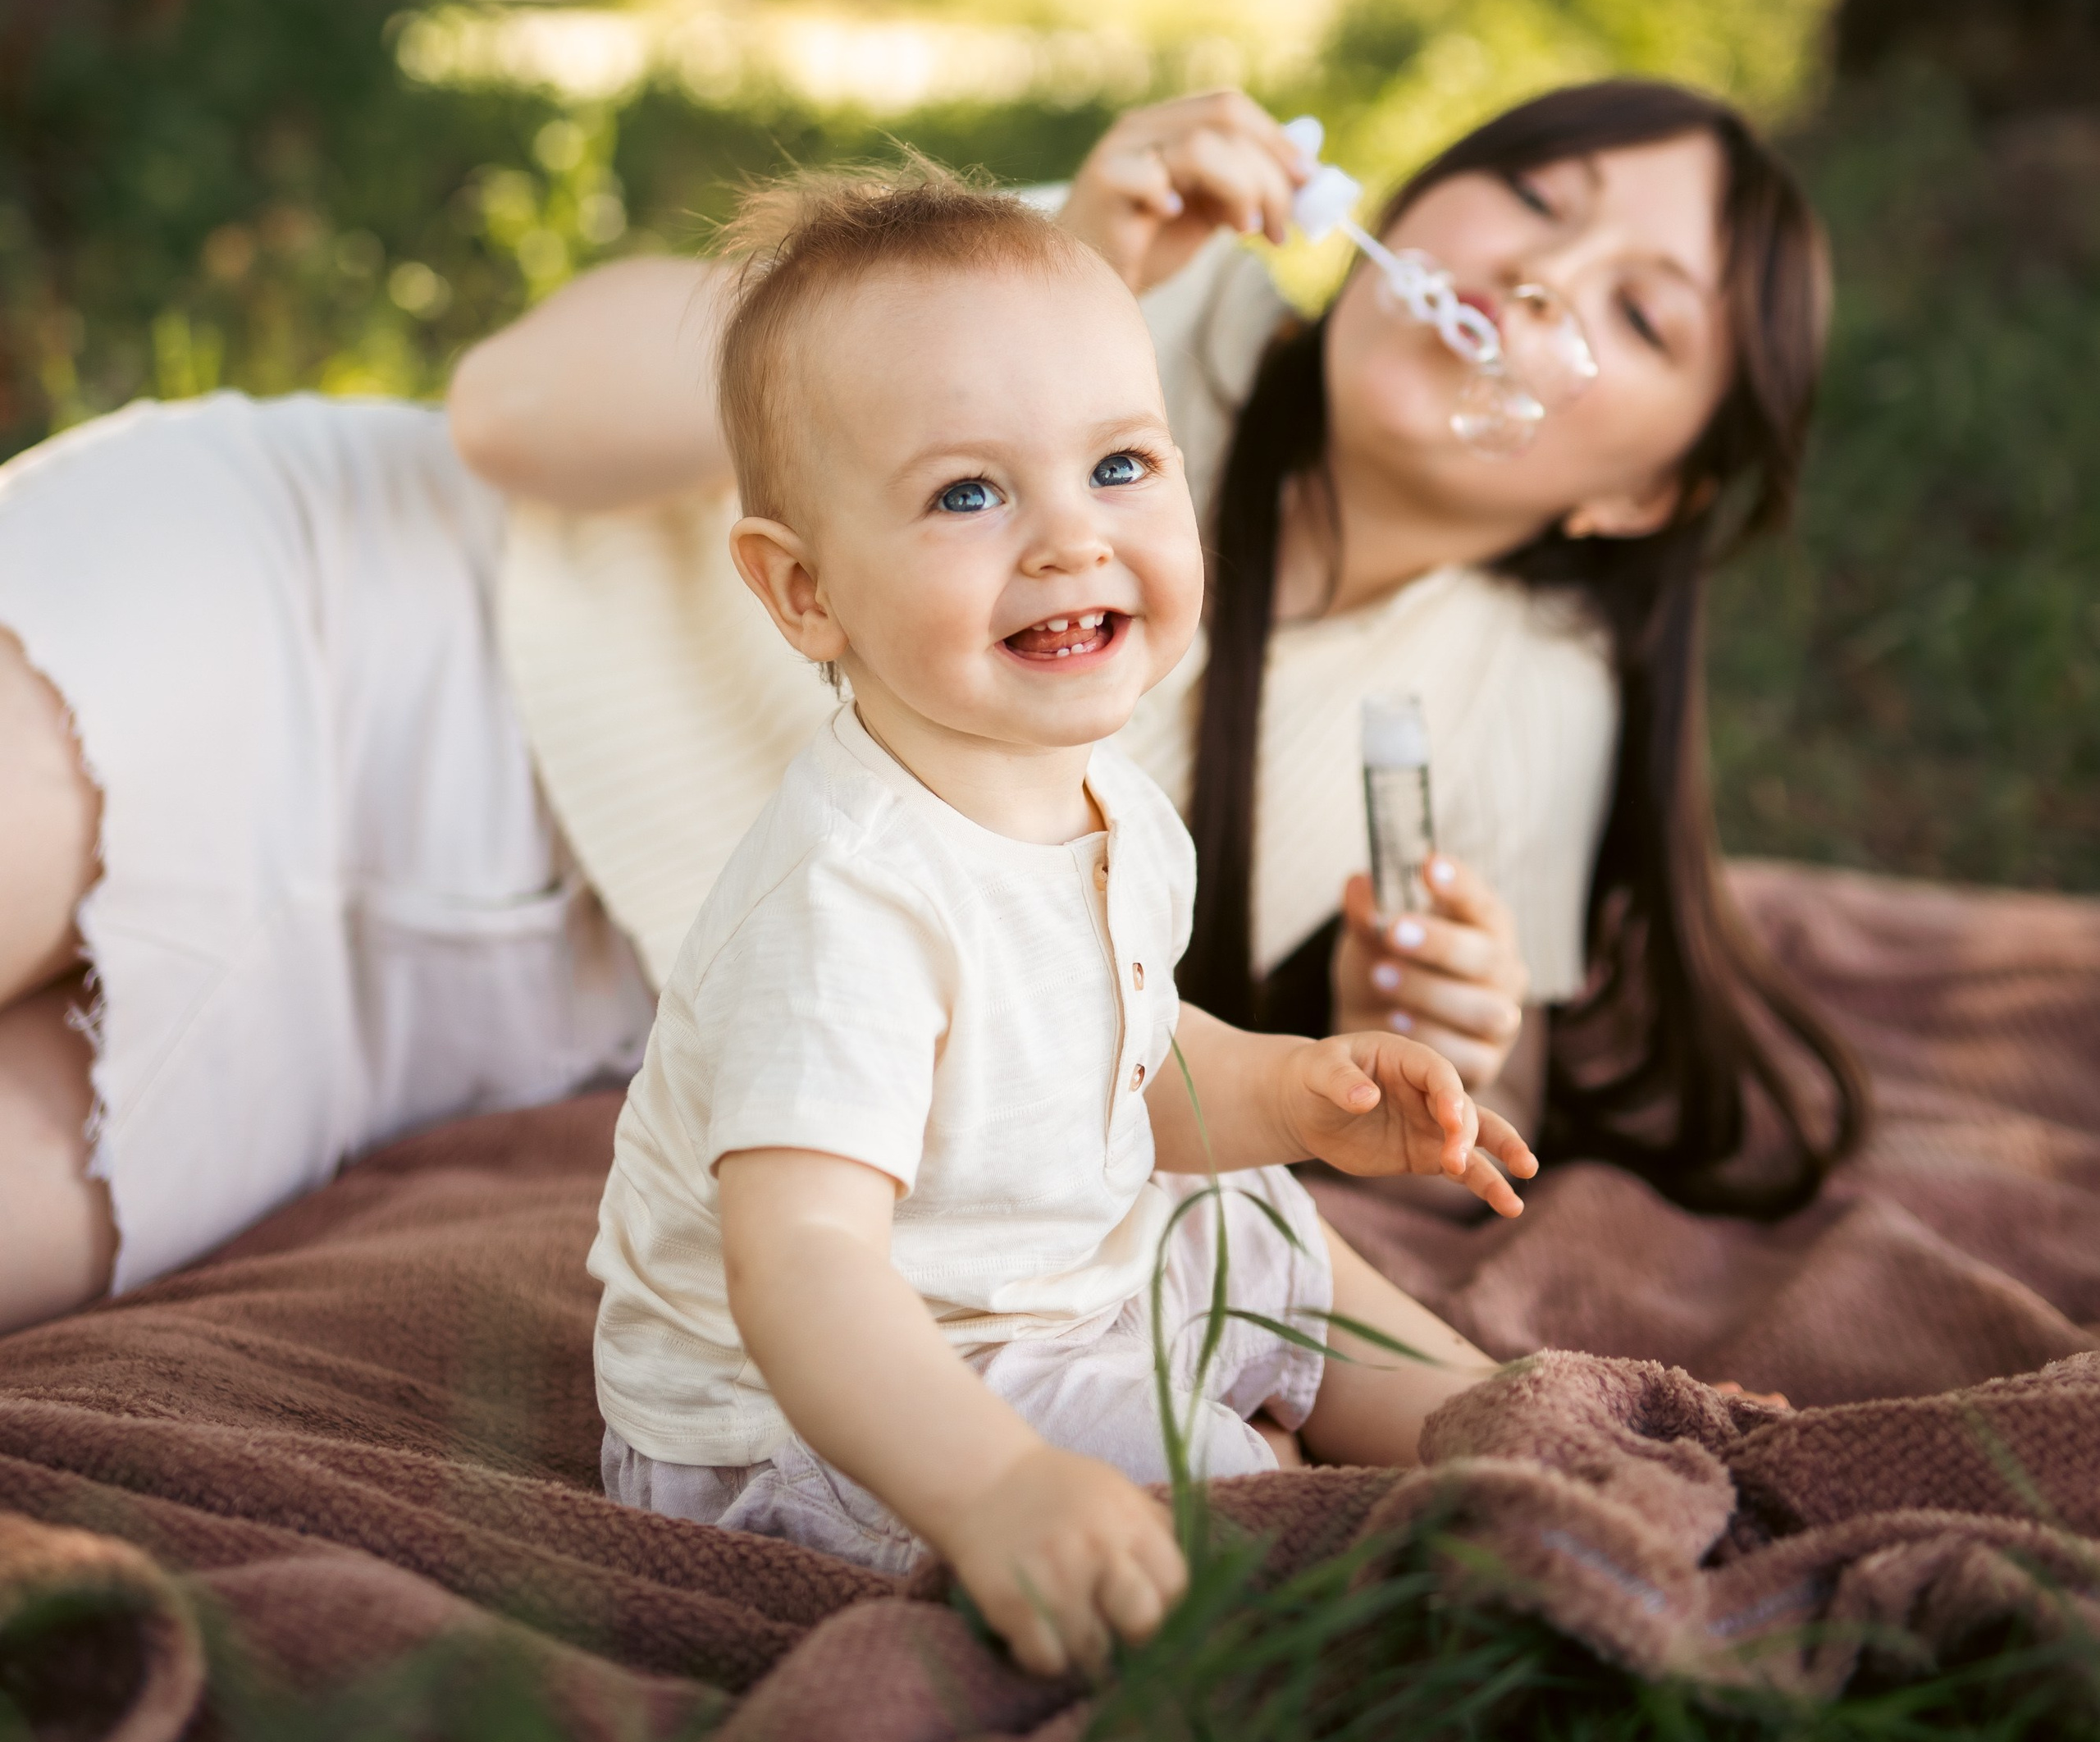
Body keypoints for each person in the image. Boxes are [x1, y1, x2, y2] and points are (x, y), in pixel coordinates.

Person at [0, 73, 1860, 1333]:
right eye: (1533, 196)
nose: (1535, 274)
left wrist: (1433, 1038)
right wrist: (1039, 268)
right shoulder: (1120, 302)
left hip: (478, 1005)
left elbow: (1447, 1088)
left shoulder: (1526, 701)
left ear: (1642, 494)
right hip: (376, 623)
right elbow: (507, 411)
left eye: (1638, 314)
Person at [590, 167, 1533, 1673]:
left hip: (1031, 1279)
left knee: (1252, 1217)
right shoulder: (848, 900)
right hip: (825, 1415)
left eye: (1120, 468)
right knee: (1199, 1501)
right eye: (970, 492)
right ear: (804, 591)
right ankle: (1327, 1558)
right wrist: (1000, 1487)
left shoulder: (1101, 802)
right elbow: (806, 1269)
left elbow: (1124, 1061)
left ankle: (1518, 1434)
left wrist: (1298, 1092)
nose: (1069, 541)